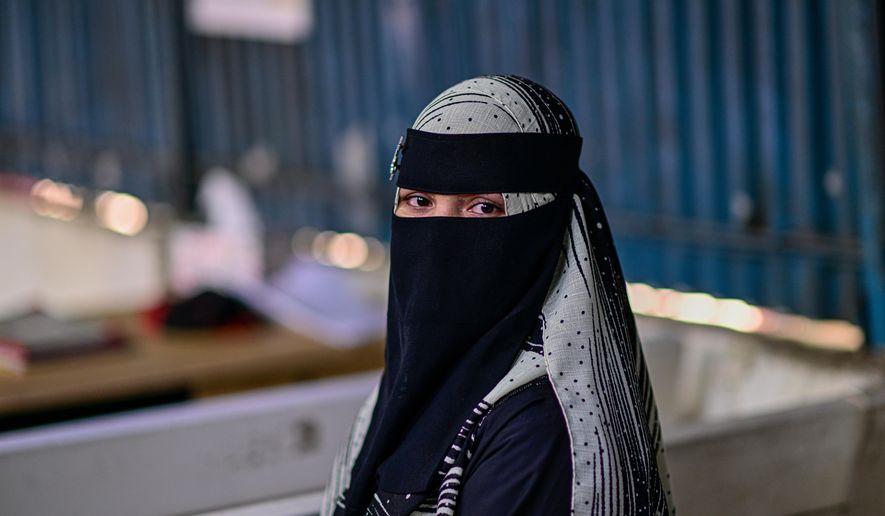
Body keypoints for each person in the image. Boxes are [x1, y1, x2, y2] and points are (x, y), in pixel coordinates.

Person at [322, 75, 673, 515]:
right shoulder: (408, 389)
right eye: (419, 201)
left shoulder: (539, 432)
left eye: (483, 206)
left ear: (540, 225)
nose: (438, 236)